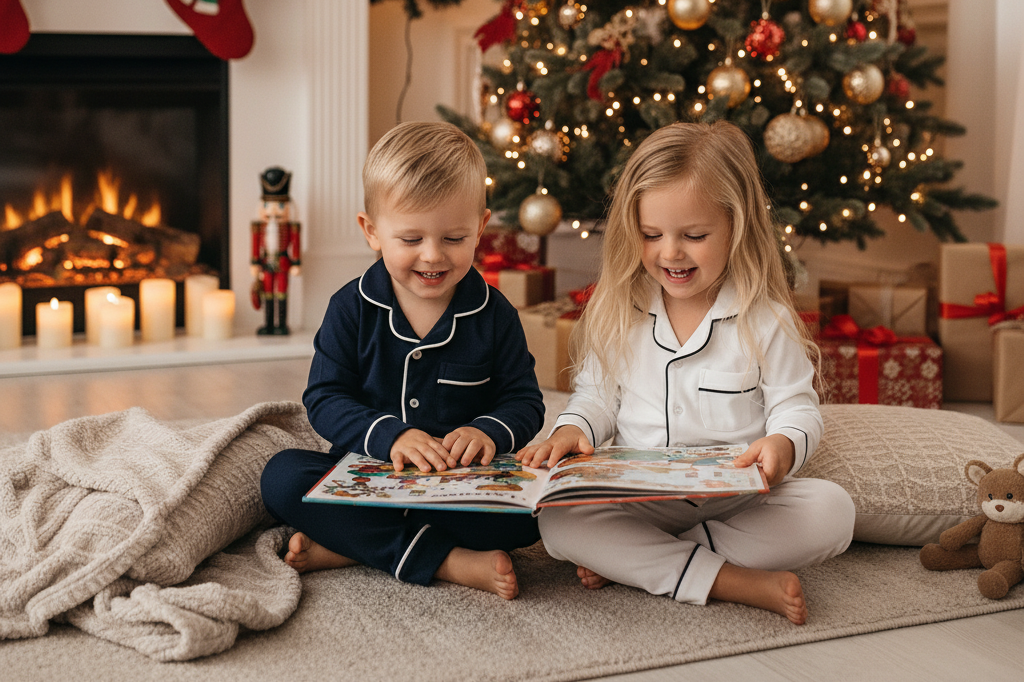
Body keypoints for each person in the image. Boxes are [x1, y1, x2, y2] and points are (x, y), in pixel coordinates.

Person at [516, 121, 855, 624]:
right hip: (640, 495)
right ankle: (725, 579)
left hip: (739, 500)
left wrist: (784, 444)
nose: (670, 252)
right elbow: (595, 398)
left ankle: (645, 560)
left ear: (736, 228)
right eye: (651, 235)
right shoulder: (619, 309)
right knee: (560, 523)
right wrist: (571, 428)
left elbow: (797, 407)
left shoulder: (765, 319)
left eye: (694, 236)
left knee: (833, 511)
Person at [261, 122, 545, 600]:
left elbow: (524, 400)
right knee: (282, 478)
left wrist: (488, 432)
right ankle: (449, 562)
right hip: (368, 478)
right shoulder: (349, 307)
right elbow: (325, 398)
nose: (432, 256)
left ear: (480, 227)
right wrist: (391, 435)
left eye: (454, 239)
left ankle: (354, 547)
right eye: (410, 239)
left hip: (459, 488)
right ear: (372, 231)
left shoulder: (495, 314)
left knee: (537, 516)